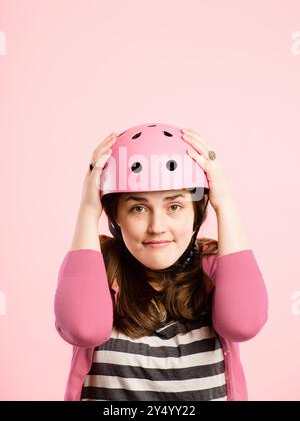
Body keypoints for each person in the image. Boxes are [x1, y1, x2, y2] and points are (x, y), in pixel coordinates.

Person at [54, 122, 268, 401]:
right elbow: (83, 328)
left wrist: (224, 202)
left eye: (175, 206)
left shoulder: (215, 269)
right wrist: (87, 208)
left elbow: (244, 323)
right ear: (115, 215)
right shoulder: (97, 268)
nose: (157, 226)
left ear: (196, 213)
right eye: (138, 208)